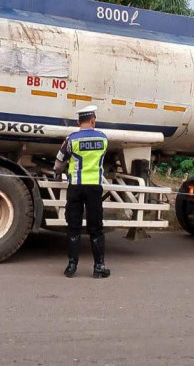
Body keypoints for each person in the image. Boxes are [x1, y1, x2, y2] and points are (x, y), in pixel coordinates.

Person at [54, 105, 111, 279]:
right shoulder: (103, 139)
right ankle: (99, 267)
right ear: (93, 120)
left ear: (79, 121)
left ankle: (71, 266)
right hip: (94, 188)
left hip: (76, 187)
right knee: (96, 228)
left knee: (73, 226)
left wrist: (59, 171)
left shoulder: (72, 139)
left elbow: (58, 163)